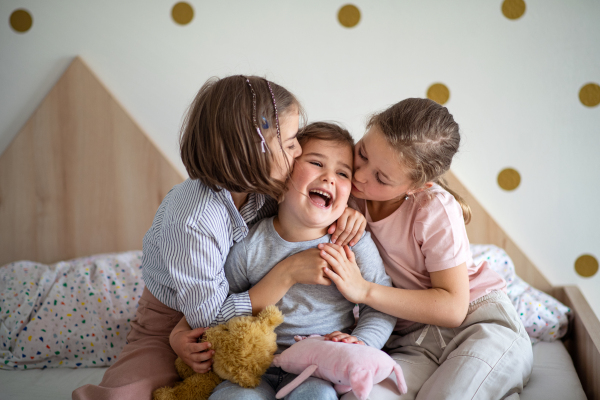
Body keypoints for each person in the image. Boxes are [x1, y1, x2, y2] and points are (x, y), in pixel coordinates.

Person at [72, 76, 365, 400]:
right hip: (177, 319)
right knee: (123, 396)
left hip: (246, 324)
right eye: (292, 141)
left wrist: (347, 213)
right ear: (253, 148)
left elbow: (311, 204)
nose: (298, 152)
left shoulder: (265, 187)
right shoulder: (194, 219)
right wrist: (287, 273)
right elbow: (208, 318)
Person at [319, 98, 533, 400]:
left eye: (382, 178)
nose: (361, 175)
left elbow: (453, 308)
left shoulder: (434, 208)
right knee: (358, 396)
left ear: (417, 187)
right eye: (363, 153)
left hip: (479, 326)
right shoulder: (347, 192)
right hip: (410, 341)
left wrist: (363, 291)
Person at [209, 122, 396, 400]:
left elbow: (381, 304)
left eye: (343, 173)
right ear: (285, 173)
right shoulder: (248, 244)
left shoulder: (352, 244)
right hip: (254, 366)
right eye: (316, 163)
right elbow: (218, 312)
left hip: (317, 368)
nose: (330, 178)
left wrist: (361, 343)